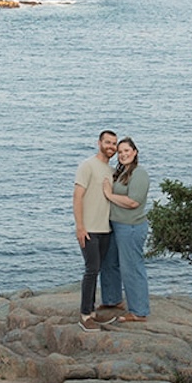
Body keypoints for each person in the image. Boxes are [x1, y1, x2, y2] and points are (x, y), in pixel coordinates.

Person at [97, 138, 151, 321]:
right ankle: (112, 300)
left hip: (131, 227)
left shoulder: (139, 173)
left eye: (127, 150)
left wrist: (109, 195)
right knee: (109, 262)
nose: (123, 154)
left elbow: (133, 202)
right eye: (120, 152)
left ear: (135, 152)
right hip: (114, 225)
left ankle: (138, 311)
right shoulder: (121, 172)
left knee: (132, 268)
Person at [73, 129, 118, 329]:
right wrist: (80, 226)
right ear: (99, 143)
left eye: (114, 144)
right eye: (107, 142)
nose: (111, 146)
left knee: (97, 269)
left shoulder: (110, 170)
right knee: (91, 270)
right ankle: (85, 316)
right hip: (89, 228)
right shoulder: (87, 166)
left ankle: (92, 312)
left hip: (105, 228)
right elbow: (77, 196)